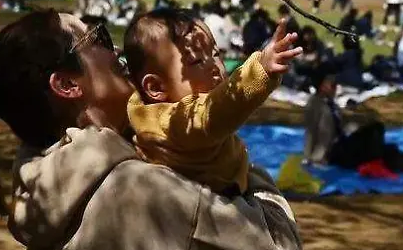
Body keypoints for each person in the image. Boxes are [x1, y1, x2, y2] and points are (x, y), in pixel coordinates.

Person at [0, 11, 302, 250]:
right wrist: (249, 176)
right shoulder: (137, 189)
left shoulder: (49, 182)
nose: (118, 50)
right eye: (97, 36)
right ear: (67, 84)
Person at [122, 11, 301, 195]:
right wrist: (260, 70)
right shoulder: (173, 122)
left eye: (215, 53)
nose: (215, 66)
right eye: (197, 60)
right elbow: (215, 112)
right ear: (156, 87)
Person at [303, 68, 403, 171]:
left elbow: (341, 126)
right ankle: (377, 163)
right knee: (376, 131)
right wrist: (312, 159)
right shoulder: (315, 105)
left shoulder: (330, 103)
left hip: (341, 146)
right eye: (332, 84)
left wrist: (356, 127)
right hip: (334, 153)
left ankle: (385, 161)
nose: (336, 87)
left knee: (386, 146)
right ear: (322, 86)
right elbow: (311, 133)